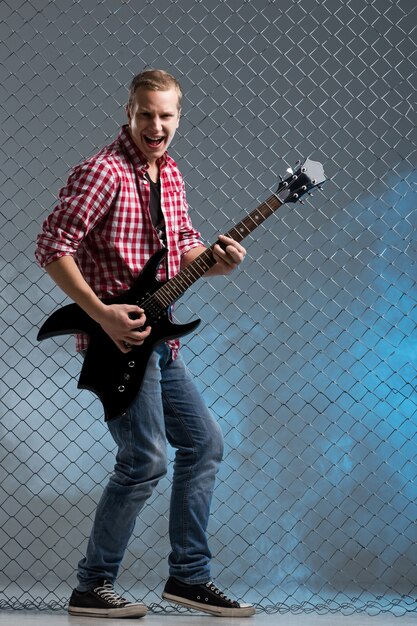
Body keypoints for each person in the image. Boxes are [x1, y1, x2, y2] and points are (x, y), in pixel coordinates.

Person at [35, 69, 255, 619]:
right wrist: (101, 314)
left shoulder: (171, 174)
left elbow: (181, 246)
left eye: (166, 115)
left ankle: (189, 578)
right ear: (128, 112)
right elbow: (51, 244)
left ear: (178, 117)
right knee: (145, 459)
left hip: (162, 341)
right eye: (145, 114)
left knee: (204, 444)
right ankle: (93, 586)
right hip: (119, 339)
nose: (155, 126)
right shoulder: (102, 172)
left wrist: (216, 262)